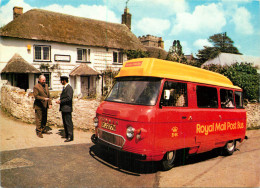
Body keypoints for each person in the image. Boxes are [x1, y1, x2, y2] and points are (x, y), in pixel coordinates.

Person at [56, 76, 74, 142]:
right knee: (65, 122)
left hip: (67, 108)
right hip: (64, 108)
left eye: (61, 81)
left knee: (68, 123)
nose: (61, 82)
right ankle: (67, 135)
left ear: (64, 81)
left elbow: (69, 98)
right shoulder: (65, 88)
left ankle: (70, 136)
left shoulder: (69, 88)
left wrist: (61, 101)